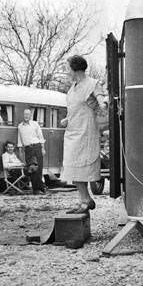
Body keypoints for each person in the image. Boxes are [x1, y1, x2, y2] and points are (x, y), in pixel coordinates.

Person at [60, 55, 105, 213]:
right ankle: (83, 198)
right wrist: (67, 119)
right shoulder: (73, 87)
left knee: (82, 165)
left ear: (75, 69)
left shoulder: (92, 84)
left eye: (67, 69)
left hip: (86, 131)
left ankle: (86, 199)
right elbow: (75, 108)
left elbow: (101, 101)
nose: (67, 72)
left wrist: (102, 103)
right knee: (72, 166)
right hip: (72, 131)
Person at [17, 108, 46, 195]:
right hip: (28, 149)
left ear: (30, 115)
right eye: (25, 114)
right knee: (32, 169)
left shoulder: (35, 124)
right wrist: (20, 151)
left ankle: (37, 189)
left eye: (28, 114)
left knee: (39, 168)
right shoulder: (20, 126)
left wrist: (43, 148)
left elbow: (41, 137)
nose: (26, 116)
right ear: (23, 115)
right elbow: (19, 140)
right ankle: (39, 188)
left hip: (37, 146)